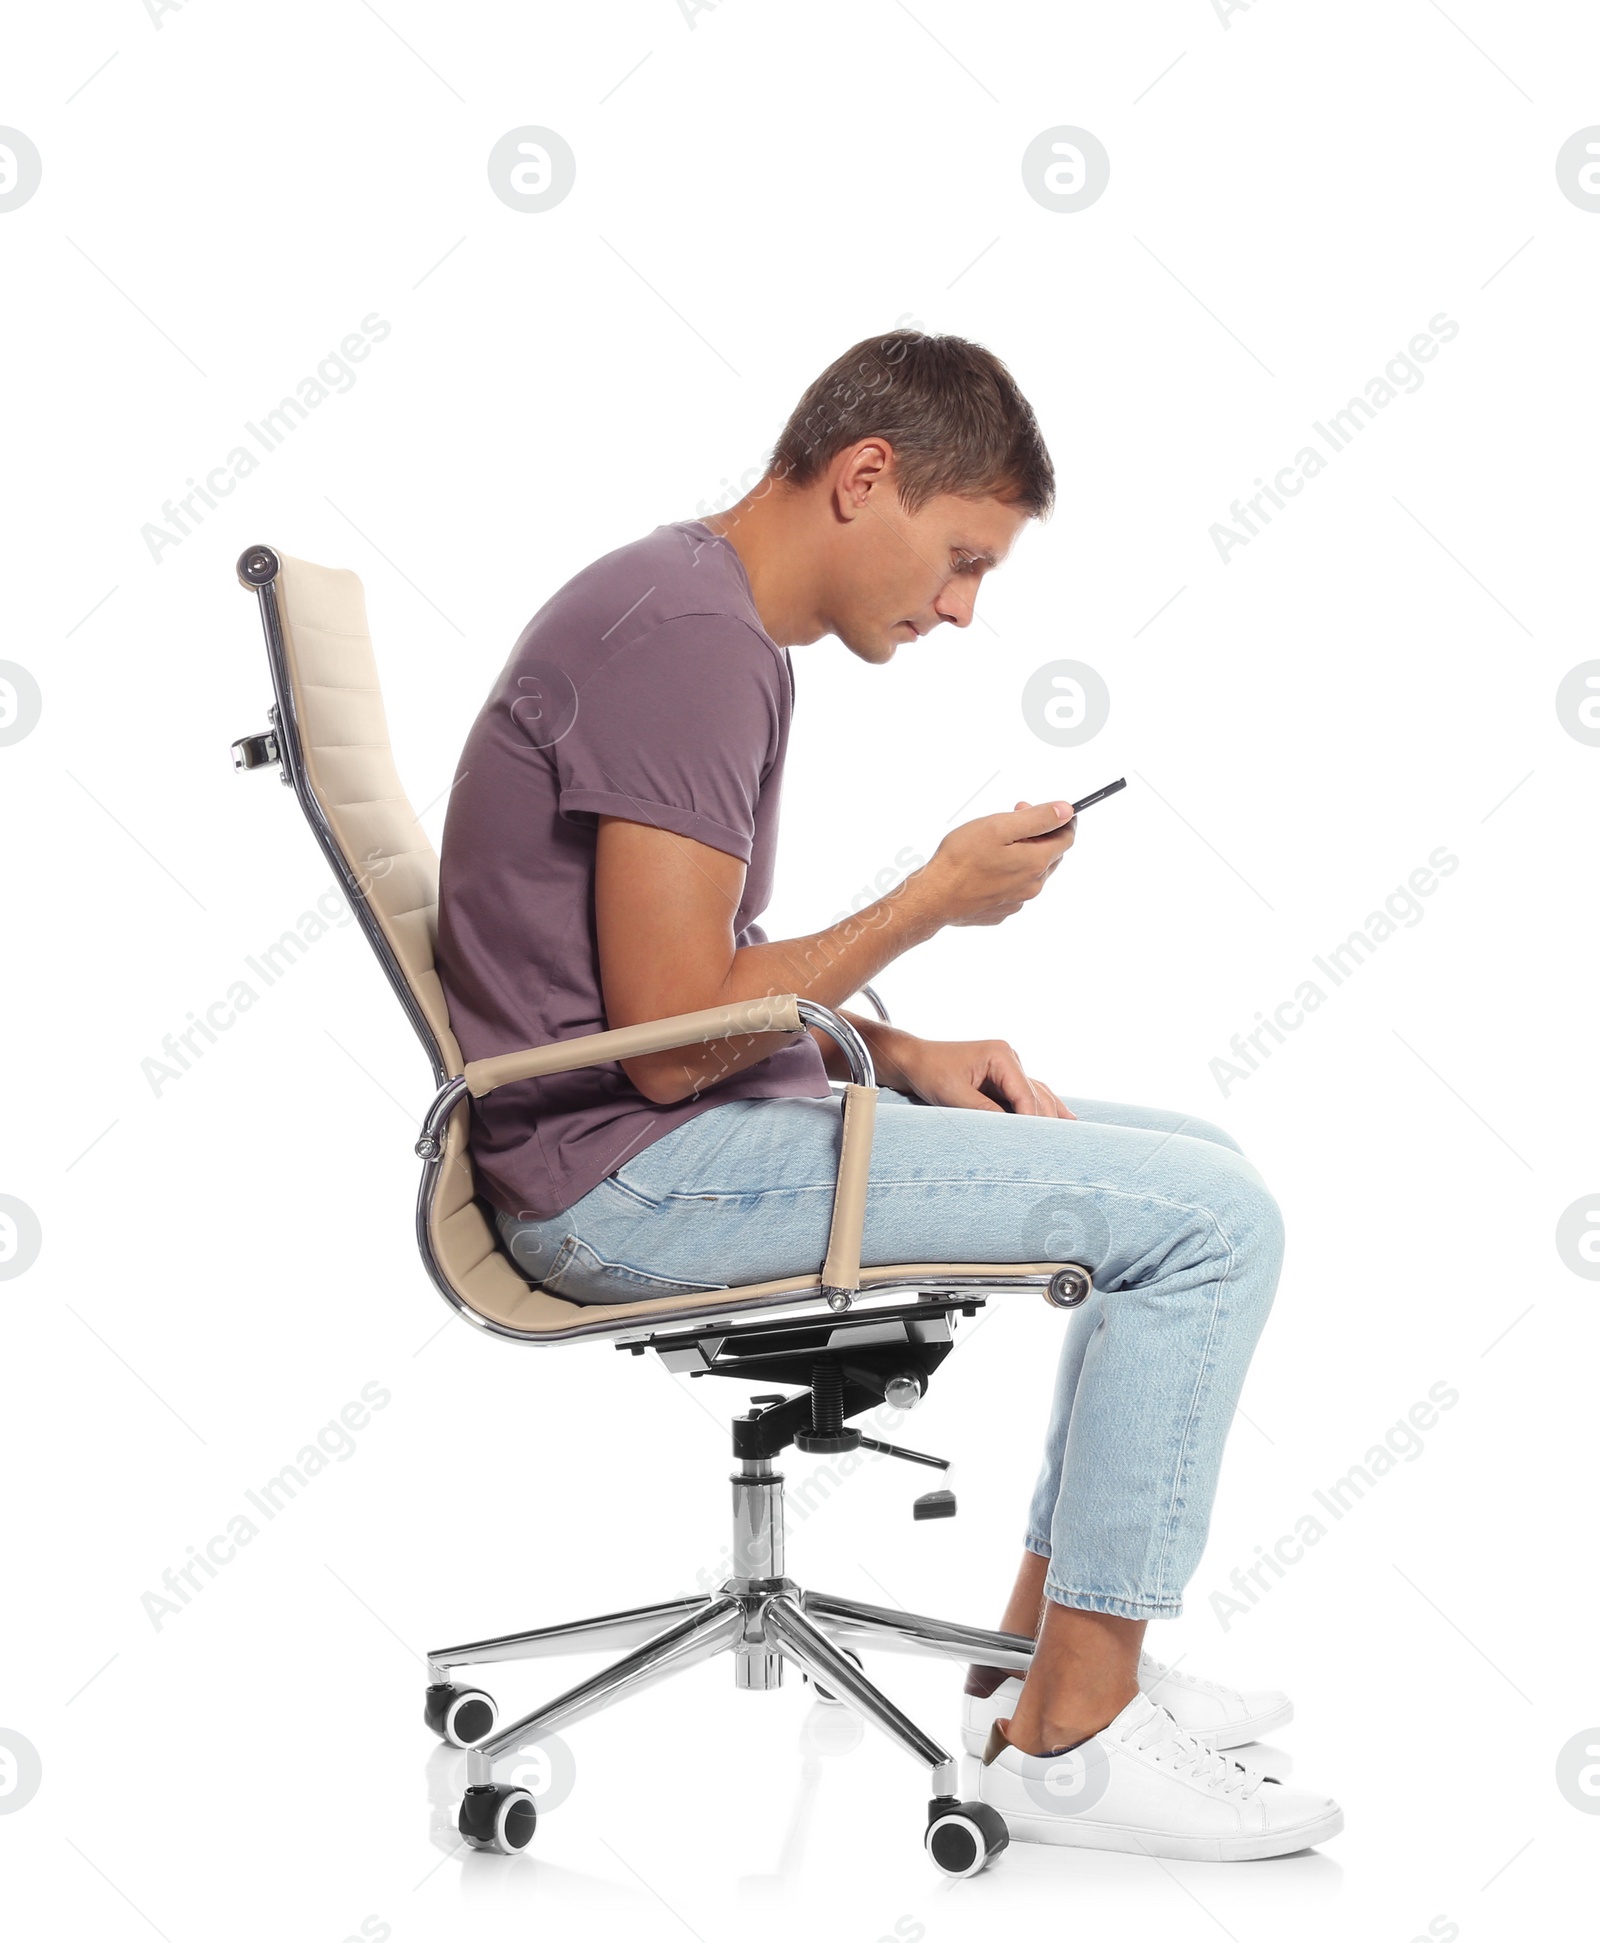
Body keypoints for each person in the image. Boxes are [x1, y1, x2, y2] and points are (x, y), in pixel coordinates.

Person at [435, 331, 1342, 1860]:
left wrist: (895, 1049)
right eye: (964, 556)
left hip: (639, 1137)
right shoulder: (687, 640)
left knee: (1200, 1164)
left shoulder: (695, 614)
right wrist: (929, 897)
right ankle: (1081, 1734)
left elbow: (673, 980)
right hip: (626, 1181)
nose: (964, 607)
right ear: (867, 478)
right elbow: (661, 1041)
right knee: (1211, 1229)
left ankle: (1030, 1672)